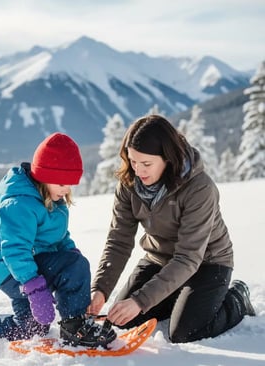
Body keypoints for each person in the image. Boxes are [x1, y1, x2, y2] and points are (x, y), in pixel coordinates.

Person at [88, 114, 256, 343]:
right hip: (160, 259)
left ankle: (236, 298)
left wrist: (141, 300)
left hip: (208, 262)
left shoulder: (199, 189)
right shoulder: (129, 184)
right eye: (133, 161)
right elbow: (119, 240)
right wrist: (100, 289)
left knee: (184, 332)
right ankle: (178, 295)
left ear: (167, 158)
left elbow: (188, 258)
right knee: (123, 320)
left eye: (146, 164)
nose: (138, 170)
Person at [0, 132, 116, 347]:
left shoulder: (54, 199)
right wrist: (34, 287)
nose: (66, 189)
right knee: (74, 265)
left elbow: (59, 238)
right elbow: (14, 250)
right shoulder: (20, 205)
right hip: (14, 271)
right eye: (62, 184)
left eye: (70, 184)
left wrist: (70, 253)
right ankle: (74, 328)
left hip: (35, 266)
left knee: (31, 328)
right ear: (43, 176)